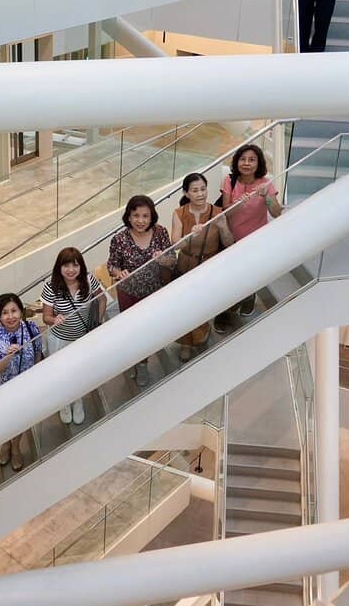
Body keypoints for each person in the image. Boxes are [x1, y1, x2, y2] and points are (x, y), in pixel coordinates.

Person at [214, 144, 282, 333]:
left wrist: (266, 196)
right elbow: (225, 212)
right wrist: (237, 203)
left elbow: (276, 213)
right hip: (231, 240)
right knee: (229, 279)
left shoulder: (266, 183)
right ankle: (224, 312)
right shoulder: (229, 180)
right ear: (237, 162)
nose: (246, 163)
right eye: (243, 159)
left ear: (258, 163)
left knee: (250, 274)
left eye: (252, 160)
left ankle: (249, 297)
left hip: (256, 242)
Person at [107, 194, 173, 387]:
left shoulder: (160, 232)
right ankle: (136, 361)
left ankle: (142, 363)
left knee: (148, 330)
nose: (141, 221)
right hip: (129, 293)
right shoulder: (119, 239)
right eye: (136, 215)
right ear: (128, 216)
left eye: (145, 216)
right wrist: (119, 272)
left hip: (154, 292)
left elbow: (172, 259)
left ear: (152, 216)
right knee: (131, 331)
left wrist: (163, 259)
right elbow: (112, 265)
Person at [170, 172, 233, 361]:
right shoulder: (179, 213)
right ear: (186, 193)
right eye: (195, 190)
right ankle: (186, 343)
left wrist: (223, 227)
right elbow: (175, 245)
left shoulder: (217, 212)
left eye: (203, 189)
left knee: (202, 305)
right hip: (186, 265)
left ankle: (200, 334)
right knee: (184, 307)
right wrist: (190, 235)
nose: (200, 194)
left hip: (209, 267)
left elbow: (229, 242)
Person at [41, 246, 106, 425]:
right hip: (59, 339)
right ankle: (64, 402)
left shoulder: (88, 280)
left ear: (81, 267)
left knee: (80, 371)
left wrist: (97, 323)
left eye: (75, 265)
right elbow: (45, 316)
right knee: (62, 373)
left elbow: (102, 299)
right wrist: (54, 319)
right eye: (66, 266)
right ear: (59, 268)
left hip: (82, 338)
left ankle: (78, 401)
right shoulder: (51, 286)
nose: (71, 270)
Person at [0, 292, 42, 470]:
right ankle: (6, 443)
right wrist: (8, 356)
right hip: (2, 389)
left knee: (21, 419)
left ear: (21, 311)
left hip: (25, 388)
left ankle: (15, 445)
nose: (10, 316)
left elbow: (38, 355)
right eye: (5, 313)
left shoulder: (32, 329)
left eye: (14, 311)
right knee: (3, 420)